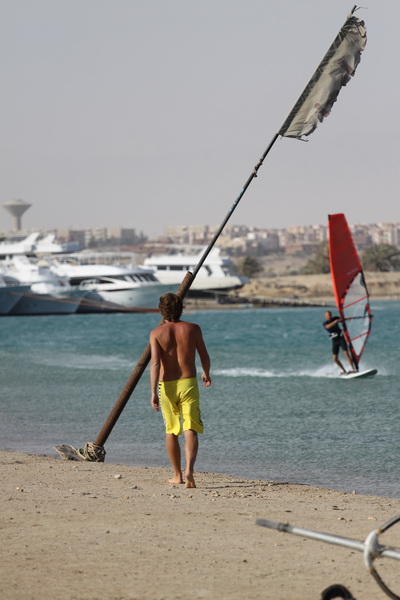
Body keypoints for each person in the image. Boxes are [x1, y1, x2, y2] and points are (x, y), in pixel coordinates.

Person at [150, 292, 211, 488]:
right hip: (188, 382)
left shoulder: (156, 333)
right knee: (190, 427)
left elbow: (155, 364)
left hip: (166, 385)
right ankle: (190, 471)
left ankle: (177, 475)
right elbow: (204, 354)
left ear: (161, 311)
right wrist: (206, 373)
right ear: (181, 309)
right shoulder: (193, 328)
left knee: (171, 430)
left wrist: (153, 392)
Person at [323, 310, 355, 374]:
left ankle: (353, 369)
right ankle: (344, 370)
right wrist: (335, 322)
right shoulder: (325, 323)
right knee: (335, 358)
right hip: (335, 341)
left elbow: (342, 318)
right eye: (328, 315)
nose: (329, 316)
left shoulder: (335, 318)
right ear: (325, 316)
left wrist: (346, 318)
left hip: (341, 339)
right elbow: (328, 327)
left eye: (330, 314)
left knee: (346, 353)